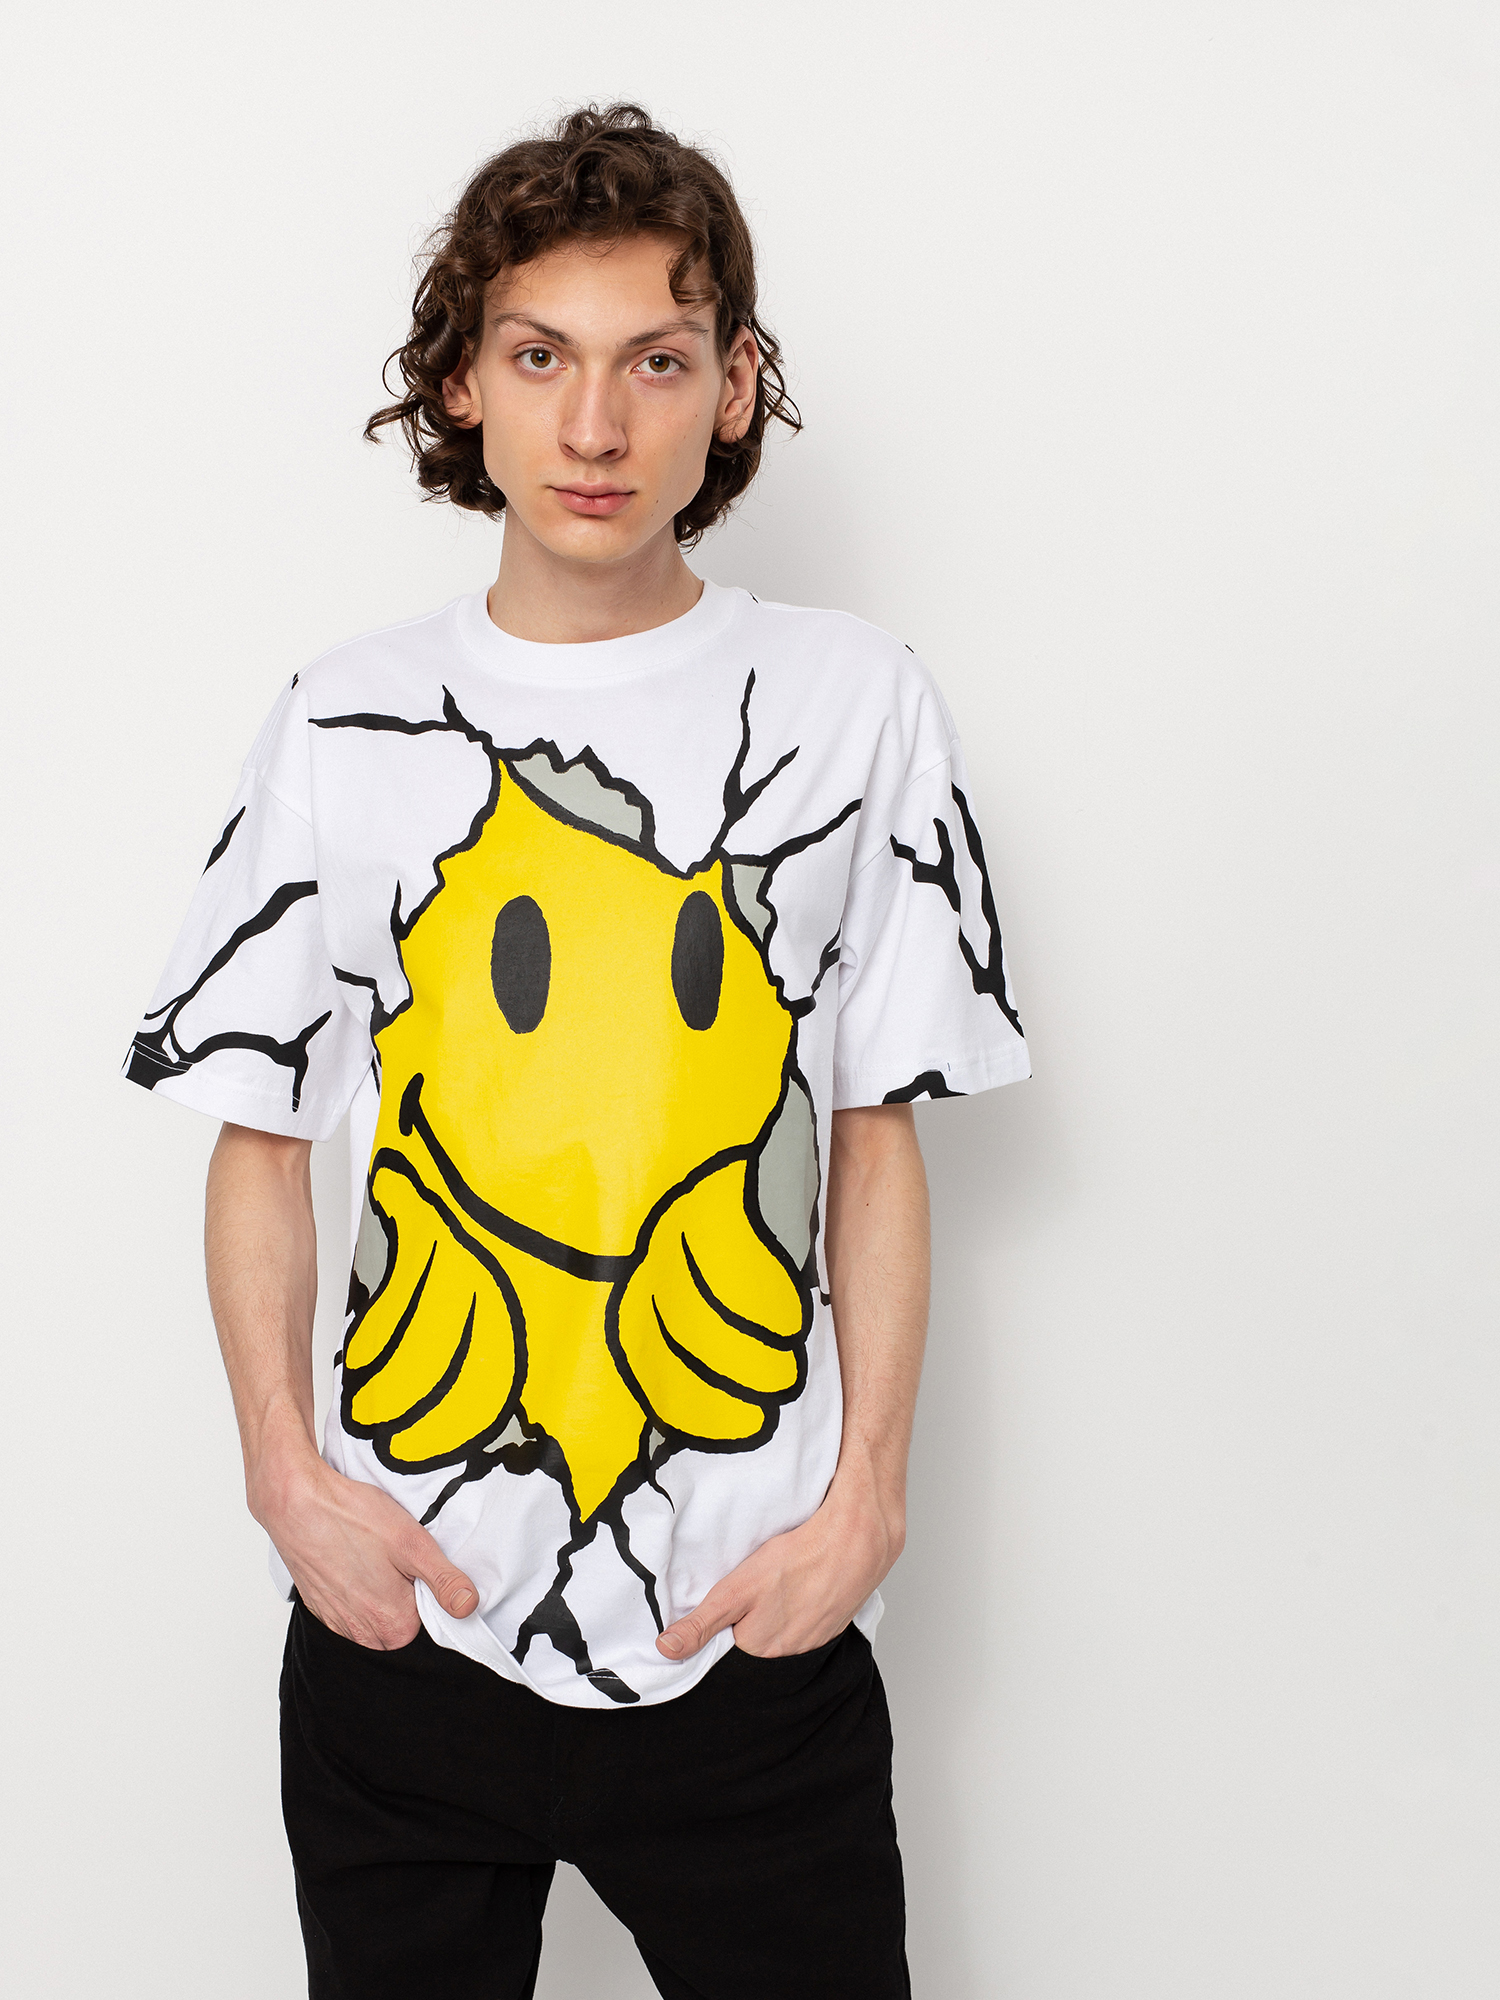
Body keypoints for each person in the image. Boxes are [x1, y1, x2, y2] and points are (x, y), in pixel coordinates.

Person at [125, 102, 1029, 2000]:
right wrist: (283, 1474)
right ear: (462, 384)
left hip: (752, 1634)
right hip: (405, 1630)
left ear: (733, 385)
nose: (597, 426)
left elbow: (877, 1128)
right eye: (541, 358)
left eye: (656, 361)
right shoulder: (343, 721)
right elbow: (258, 1132)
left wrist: (867, 1500)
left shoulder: (855, 703)